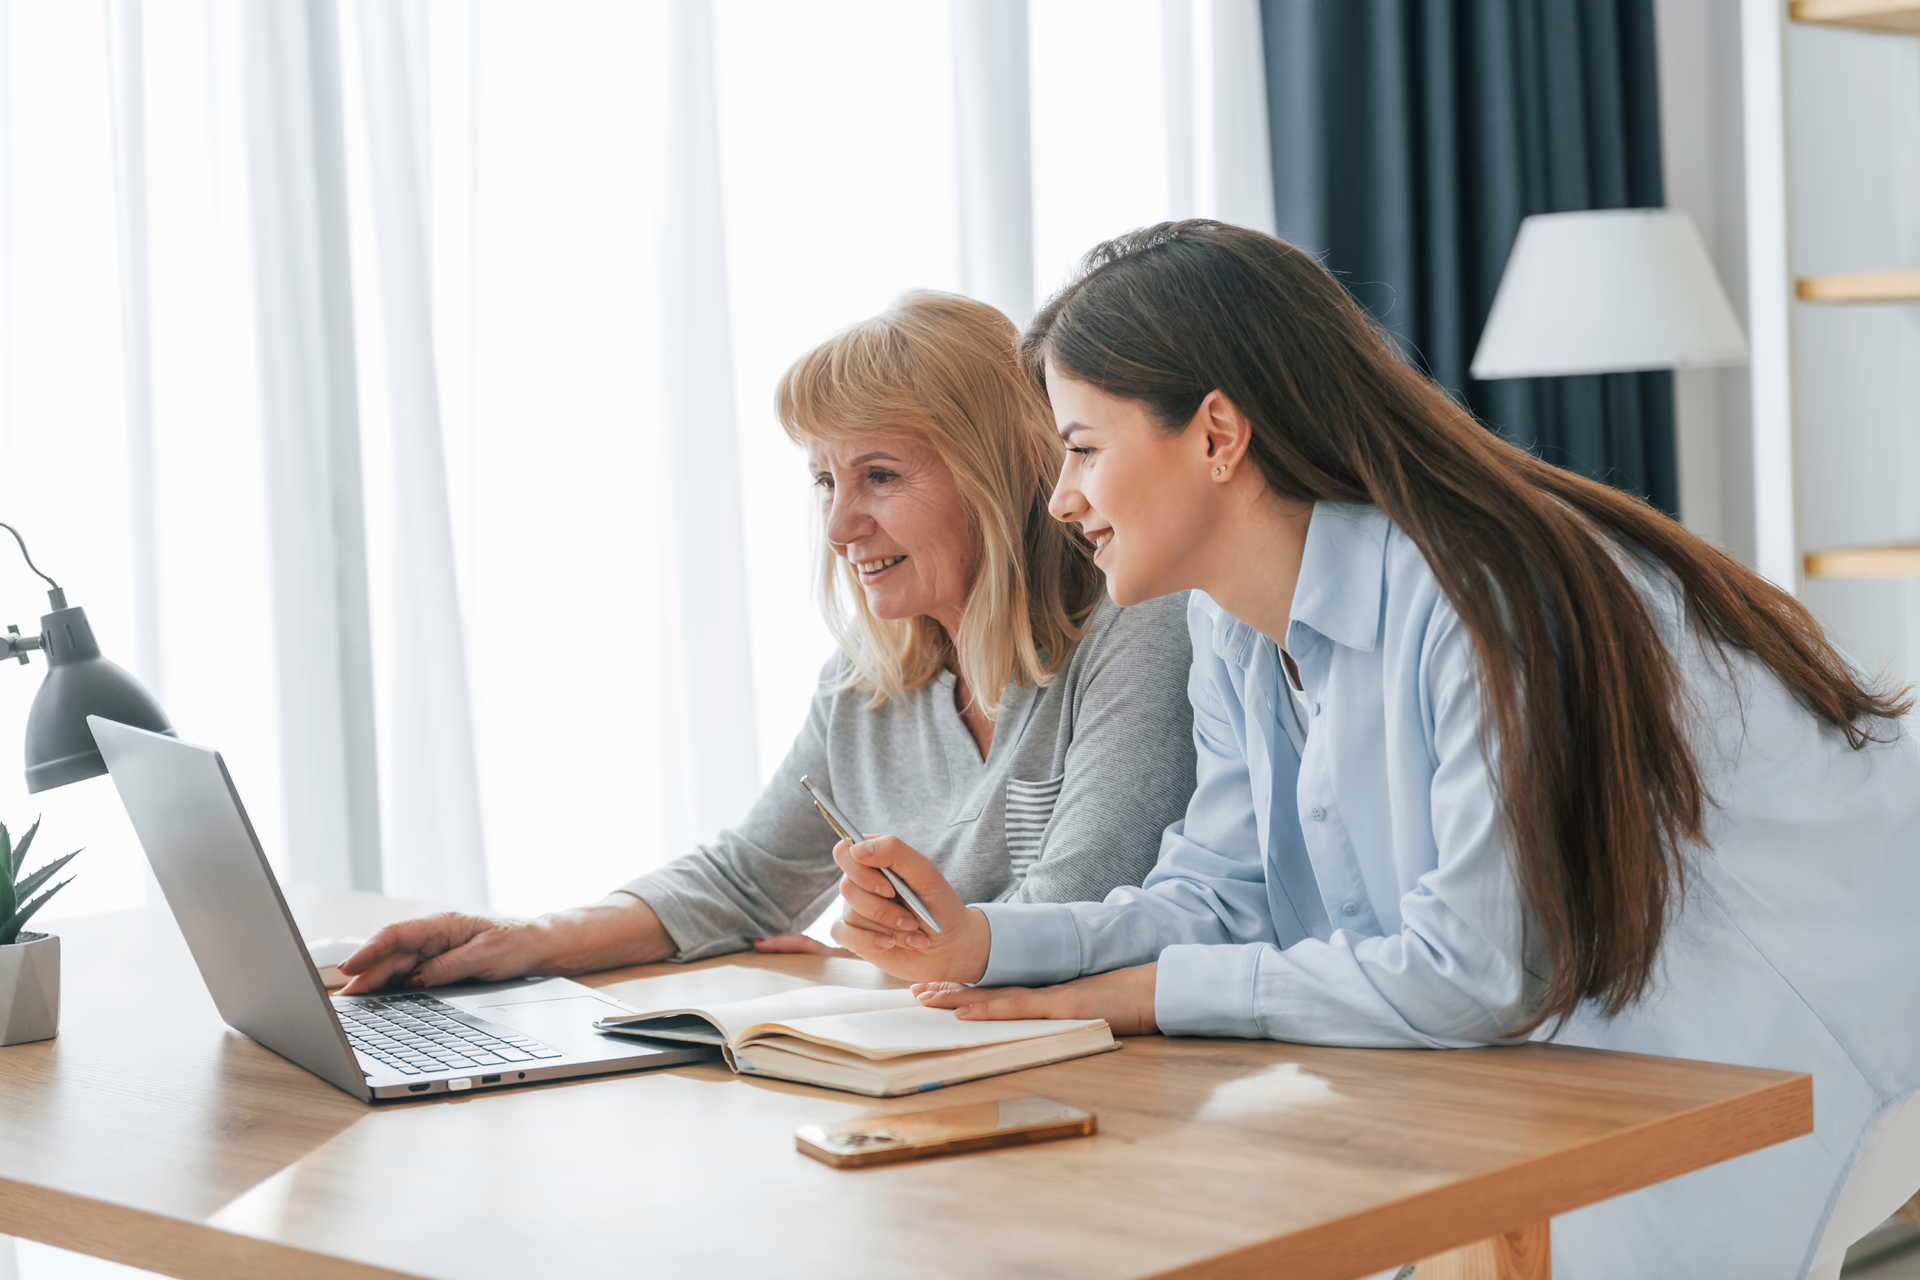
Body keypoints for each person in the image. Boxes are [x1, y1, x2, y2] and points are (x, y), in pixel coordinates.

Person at [825, 223, 1920, 1277]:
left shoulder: (1476, 591)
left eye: (1082, 449)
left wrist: (1139, 994)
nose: (1059, 500)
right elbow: (1218, 892)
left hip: (1804, 1011)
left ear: (1217, 433)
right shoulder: (1233, 620)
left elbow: (1478, 971)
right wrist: (982, 942)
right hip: (1601, 1036)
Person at [337, 290, 1196, 994]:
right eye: (824, 480)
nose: (839, 526)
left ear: (1002, 471)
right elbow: (748, 881)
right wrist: (525, 940)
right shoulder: (867, 682)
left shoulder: (1137, 631)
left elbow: (1079, 907)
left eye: (880, 476)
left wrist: (877, 966)